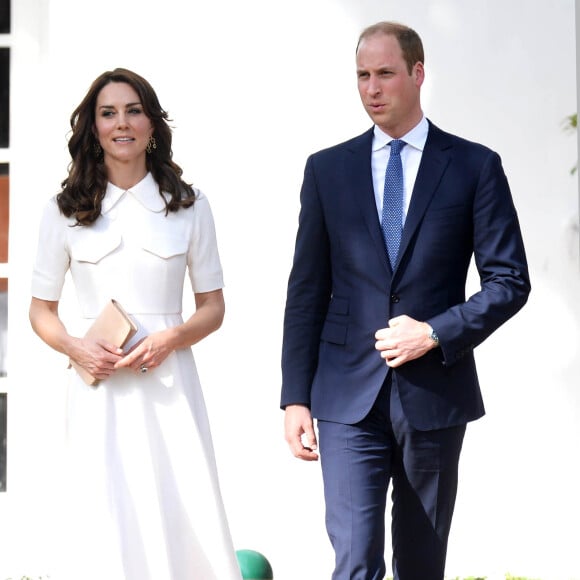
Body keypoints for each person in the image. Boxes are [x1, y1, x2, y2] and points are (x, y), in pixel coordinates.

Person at [281, 21, 530, 580]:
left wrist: (435, 331)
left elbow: (509, 280)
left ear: (418, 74)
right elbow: (306, 291)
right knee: (355, 559)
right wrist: (295, 396)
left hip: (434, 395)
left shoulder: (474, 166)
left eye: (385, 74)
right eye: (363, 76)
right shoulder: (327, 169)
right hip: (345, 396)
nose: (372, 88)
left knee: (421, 565)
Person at [29, 68, 242, 580]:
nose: (120, 123)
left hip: (169, 387)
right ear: (93, 128)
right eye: (108, 113)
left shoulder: (189, 206)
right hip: (97, 391)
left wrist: (172, 337)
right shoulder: (63, 212)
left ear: (151, 124)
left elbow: (213, 307)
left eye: (132, 110)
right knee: (101, 514)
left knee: (179, 506)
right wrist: (77, 348)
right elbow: (40, 311)